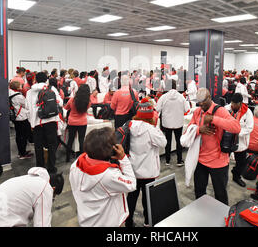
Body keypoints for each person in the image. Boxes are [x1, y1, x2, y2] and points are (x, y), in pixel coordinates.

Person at [69, 127, 136, 227]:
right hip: (107, 222)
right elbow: (131, 184)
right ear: (111, 150)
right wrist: (123, 159)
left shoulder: (75, 165)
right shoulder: (109, 175)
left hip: (86, 218)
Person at [0, 168, 64, 227]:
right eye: (53, 197)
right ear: (53, 188)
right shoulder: (45, 188)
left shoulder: (27, 180)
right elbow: (42, 225)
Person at [188, 88, 241, 204]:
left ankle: (223, 220)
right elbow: (187, 131)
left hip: (218, 162)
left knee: (220, 194)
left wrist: (213, 119)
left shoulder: (220, 111)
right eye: (199, 102)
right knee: (199, 191)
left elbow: (236, 127)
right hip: (200, 160)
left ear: (210, 98)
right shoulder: (197, 112)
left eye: (203, 102)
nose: (201, 105)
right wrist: (199, 130)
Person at [125, 98, 167, 227]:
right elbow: (163, 143)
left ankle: (128, 222)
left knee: (131, 197)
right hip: (148, 171)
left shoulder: (129, 125)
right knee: (148, 198)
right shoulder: (151, 129)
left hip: (132, 169)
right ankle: (148, 222)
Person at [25, 72, 63, 174]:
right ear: (46, 79)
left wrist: (31, 122)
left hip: (37, 123)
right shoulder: (51, 89)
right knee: (52, 145)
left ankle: (40, 168)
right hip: (51, 121)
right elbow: (61, 103)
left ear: (35, 80)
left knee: (38, 146)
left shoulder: (29, 92)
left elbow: (27, 109)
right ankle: (51, 167)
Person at [64, 84, 104, 162]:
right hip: (82, 122)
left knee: (70, 140)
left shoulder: (72, 100)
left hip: (72, 122)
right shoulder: (88, 102)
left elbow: (66, 108)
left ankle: (67, 158)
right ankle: (82, 157)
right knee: (81, 140)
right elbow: (86, 109)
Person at [156, 80, 190, 166]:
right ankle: (179, 160)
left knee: (168, 141)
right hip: (178, 123)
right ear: (176, 86)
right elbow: (187, 110)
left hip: (167, 123)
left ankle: (167, 160)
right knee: (179, 141)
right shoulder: (181, 97)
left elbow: (157, 109)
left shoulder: (163, 97)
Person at [226, 93, 254, 188]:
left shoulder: (248, 112)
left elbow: (249, 128)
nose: (233, 106)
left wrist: (237, 132)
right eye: (232, 103)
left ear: (240, 103)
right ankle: (223, 178)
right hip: (227, 140)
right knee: (224, 161)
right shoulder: (226, 109)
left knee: (241, 163)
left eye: (235, 104)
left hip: (241, 141)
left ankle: (236, 176)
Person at [9, 81, 33, 159]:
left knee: (19, 136)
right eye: (20, 85)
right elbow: (26, 106)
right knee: (24, 136)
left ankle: (21, 151)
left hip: (16, 117)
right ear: (17, 87)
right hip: (22, 117)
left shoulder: (10, 93)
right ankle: (22, 154)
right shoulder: (19, 96)